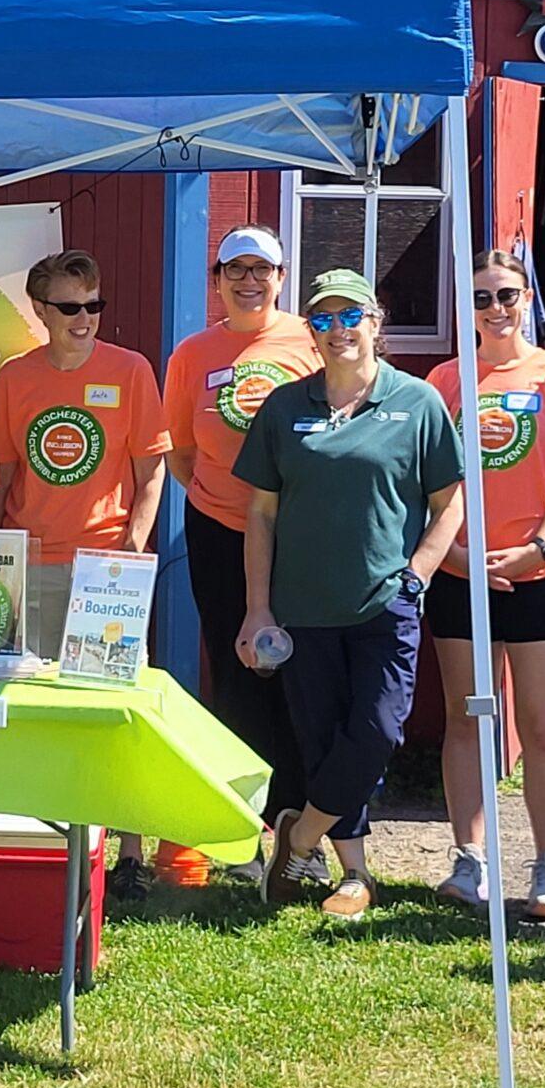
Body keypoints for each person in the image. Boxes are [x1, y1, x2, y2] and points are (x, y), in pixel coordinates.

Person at [237, 269, 464, 921]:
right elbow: (260, 515)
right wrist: (257, 606)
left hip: (384, 603)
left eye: (350, 316)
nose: (339, 330)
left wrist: (418, 570)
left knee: (378, 729)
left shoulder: (417, 403)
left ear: (375, 321)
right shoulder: (286, 406)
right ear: (311, 331)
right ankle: (355, 872)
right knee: (326, 738)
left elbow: (449, 503)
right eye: (324, 320)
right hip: (301, 608)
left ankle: (299, 835)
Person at [425, 251, 545, 921]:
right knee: (468, 716)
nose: (494, 309)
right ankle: (469, 862)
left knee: (541, 725)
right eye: (480, 298)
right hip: (460, 570)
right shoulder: (445, 379)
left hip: (543, 574)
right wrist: (460, 557)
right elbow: (424, 480)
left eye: (505, 294)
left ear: (528, 298)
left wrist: (538, 548)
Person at [0, 249, 169, 895]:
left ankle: (129, 853)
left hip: (104, 571)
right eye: (70, 307)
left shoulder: (131, 371)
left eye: (94, 305)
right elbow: (0, 479)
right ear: (39, 310)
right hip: (32, 566)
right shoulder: (12, 380)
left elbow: (153, 474)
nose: (85, 318)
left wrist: (132, 547)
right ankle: (38, 842)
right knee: (31, 714)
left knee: (113, 711)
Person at [163, 226, 319, 865]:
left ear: (281, 278)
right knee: (235, 673)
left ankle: (298, 824)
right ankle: (243, 830)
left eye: (262, 269)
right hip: (218, 528)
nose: (249, 281)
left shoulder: (309, 343)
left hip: (301, 535)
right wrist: (226, 500)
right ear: (217, 279)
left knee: (301, 676)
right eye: (236, 269)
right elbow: (181, 451)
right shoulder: (192, 353)